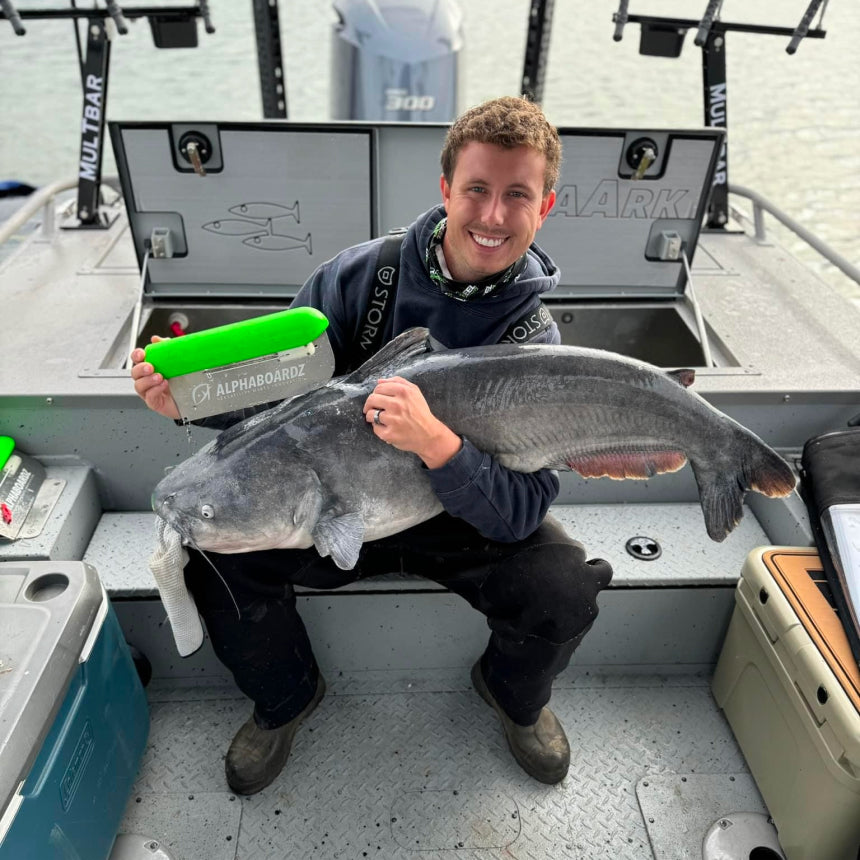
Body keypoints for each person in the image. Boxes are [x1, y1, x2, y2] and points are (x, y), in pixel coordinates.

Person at [131, 96, 613, 794]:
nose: (493, 215)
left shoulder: (536, 343)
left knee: (564, 586)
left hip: (462, 517)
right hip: (329, 508)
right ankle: (286, 699)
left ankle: (514, 698)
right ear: (447, 188)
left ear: (547, 205)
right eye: (476, 189)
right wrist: (191, 401)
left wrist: (443, 447)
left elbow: (521, 510)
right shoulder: (358, 277)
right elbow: (276, 401)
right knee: (214, 562)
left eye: (518, 195)